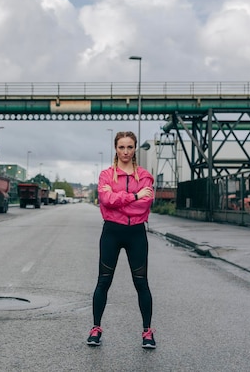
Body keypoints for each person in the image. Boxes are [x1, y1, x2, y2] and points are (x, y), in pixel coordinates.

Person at [86, 130, 156, 349]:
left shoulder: (145, 176)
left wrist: (121, 201)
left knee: (141, 283)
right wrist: (135, 196)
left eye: (130, 147)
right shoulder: (106, 175)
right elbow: (105, 200)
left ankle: (147, 331)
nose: (126, 151)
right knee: (103, 282)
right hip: (112, 232)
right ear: (115, 149)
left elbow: (144, 205)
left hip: (136, 233)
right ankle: (96, 328)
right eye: (121, 147)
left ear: (135, 149)